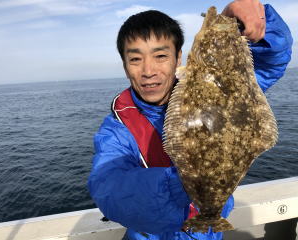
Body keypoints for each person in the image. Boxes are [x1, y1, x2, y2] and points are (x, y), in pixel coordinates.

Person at [88, 0, 293, 239]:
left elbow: (271, 61)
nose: (148, 70)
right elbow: (109, 189)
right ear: (125, 66)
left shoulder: (225, 85)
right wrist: (190, 181)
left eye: (160, 56)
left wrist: (253, 18)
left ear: (179, 59)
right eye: (135, 59)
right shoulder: (117, 129)